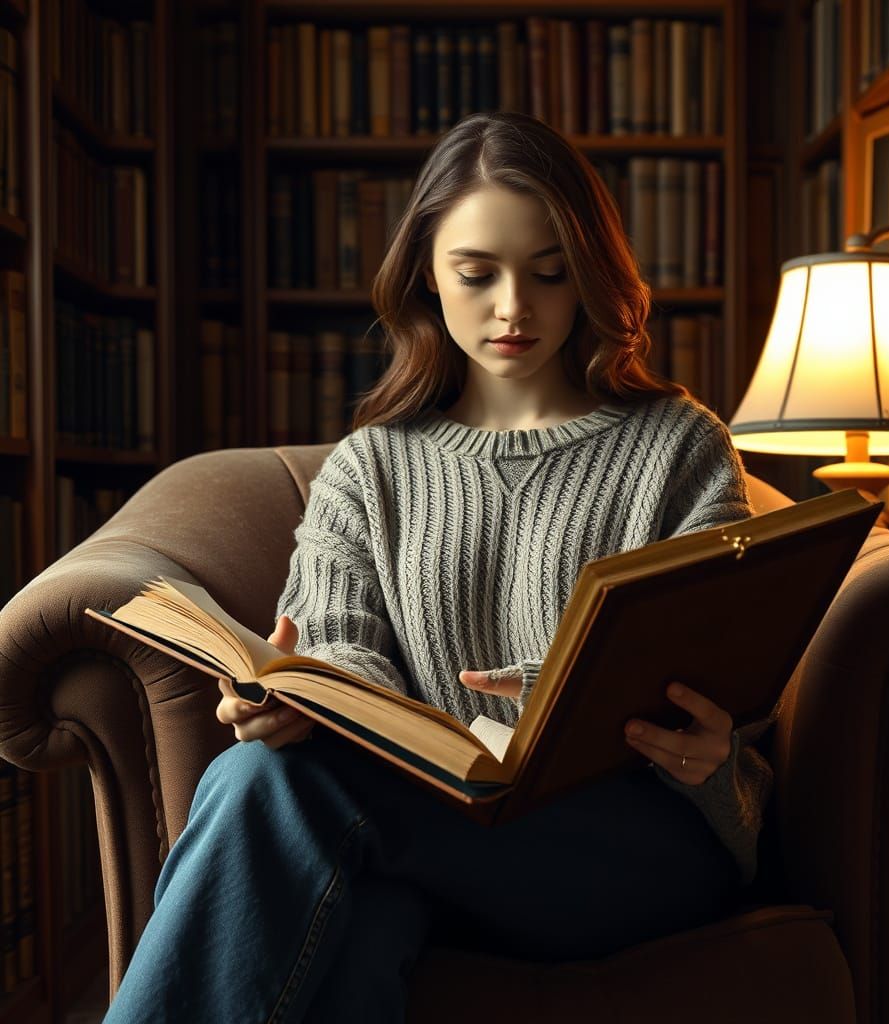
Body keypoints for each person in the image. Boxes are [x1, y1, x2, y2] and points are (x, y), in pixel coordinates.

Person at [103, 111, 775, 1024]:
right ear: (426, 272)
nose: (514, 308)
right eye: (478, 273)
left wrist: (706, 748)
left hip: (627, 847)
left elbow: (714, 662)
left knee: (272, 797)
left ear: (589, 271)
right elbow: (341, 656)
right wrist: (296, 703)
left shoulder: (680, 446)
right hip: (419, 837)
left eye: (549, 272)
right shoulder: (370, 467)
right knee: (325, 865)